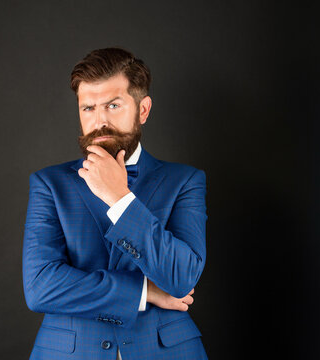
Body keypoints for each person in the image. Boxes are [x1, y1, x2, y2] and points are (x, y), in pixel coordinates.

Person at [22, 47, 208, 359]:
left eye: (113, 105)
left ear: (143, 110)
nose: (100, 121)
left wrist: (119, 198)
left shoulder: (185, 181)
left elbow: (181, 277)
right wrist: (143, 291)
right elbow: (41, 287)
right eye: (88, 108)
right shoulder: (48, 184)